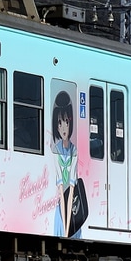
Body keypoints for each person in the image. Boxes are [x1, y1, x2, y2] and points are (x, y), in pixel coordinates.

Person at [51, 90, 83, 238]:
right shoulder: (55, 150)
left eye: (66, 122)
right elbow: (60, 191)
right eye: (59, 122)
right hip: (61, 210)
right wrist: (64, 227)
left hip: (71, 211)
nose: (63, 127)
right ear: (56, 126)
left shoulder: (74, 151)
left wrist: (68, 227)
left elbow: (71, 191)